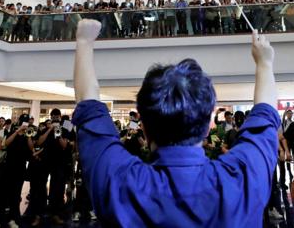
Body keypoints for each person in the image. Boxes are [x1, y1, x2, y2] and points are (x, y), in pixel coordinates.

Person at [72, 19, 279, 226]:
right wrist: (265, 63)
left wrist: (84, 42)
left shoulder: (119, 181)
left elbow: (89, 105)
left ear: (142, 126)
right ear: (208, 124)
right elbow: (265, 115)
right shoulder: (241, 178)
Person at [35, 108, 75, 225]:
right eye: (53, 116)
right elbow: (39, 142)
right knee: (40, 188)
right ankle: (39, 214)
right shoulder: (45, 128)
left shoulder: (65, 128)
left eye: (57, 116)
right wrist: (50, 130)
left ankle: (56, 214)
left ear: (60, 117)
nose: (55, 118)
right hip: (45, 161)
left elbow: (64, 146)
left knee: (57, 189)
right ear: (51, 117)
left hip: (59, 162)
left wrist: (58, 132)